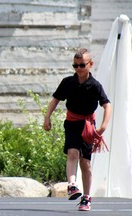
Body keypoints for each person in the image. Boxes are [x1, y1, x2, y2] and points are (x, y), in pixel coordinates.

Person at [43, 48, 112, 211]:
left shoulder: (95, 85)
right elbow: (55, 99)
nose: (78, 69)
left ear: (90, 64)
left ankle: (86, 197)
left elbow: (107, 105)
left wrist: (103, 126)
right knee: (73, 153)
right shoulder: (68, 82)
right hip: (72, 122)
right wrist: (47, 117)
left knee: (86, 163)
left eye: (82, 65)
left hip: (87, 126)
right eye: (75, 66)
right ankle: (72, 185)